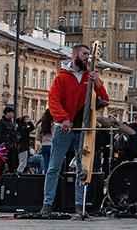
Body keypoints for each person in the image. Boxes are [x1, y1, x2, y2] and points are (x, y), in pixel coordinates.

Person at [40, 43, 109, 218]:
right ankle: (47, 204)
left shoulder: (89, 76)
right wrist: (63, 118)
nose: (88, 57)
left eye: (89, 54)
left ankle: (80, 205)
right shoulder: (61, 77)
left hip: (82, 128)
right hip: (63, 128)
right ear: (75, 54)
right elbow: (53, 100)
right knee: (54, 168)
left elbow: (104, 101)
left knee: (82, 168)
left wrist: (98, 84)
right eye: (85, 54)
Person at [0, 105, 19, 180]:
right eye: (11, 113)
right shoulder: (1, 123)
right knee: (1, 164)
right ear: (7, 113)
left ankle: (11, 180)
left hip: (11, 146)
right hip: (3, 147)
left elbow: (14, 135)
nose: (13, 115)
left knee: (12, 164)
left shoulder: (11, 123)